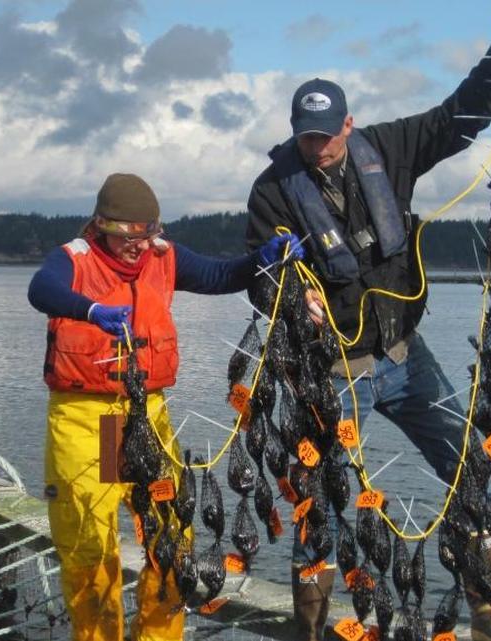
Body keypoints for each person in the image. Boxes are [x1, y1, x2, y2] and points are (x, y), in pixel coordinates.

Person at [244, 9, 491, 641]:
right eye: (305, 135)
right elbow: (261, 277)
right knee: (318, 494)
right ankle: (311, 626)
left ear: (347, 124)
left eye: (325, 133)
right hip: (337, 373)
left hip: (407, 354)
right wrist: (292, 302)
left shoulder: (389, 148)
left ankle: (483, 607)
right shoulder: (272, 191)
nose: (316, 146)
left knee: (469, 463)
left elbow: (455, 118)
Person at [29, 173, 301, 641]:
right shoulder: (73, 259)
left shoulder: (162, 256)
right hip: (85, 417)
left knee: (172, 539)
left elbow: (219, 275)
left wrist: (261, 260)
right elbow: (40, 290)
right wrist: (90, 310)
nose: (139, 247)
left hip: (147, 413)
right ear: (101, 226)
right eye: (127, 237)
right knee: (90, 547)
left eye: (148, 234)